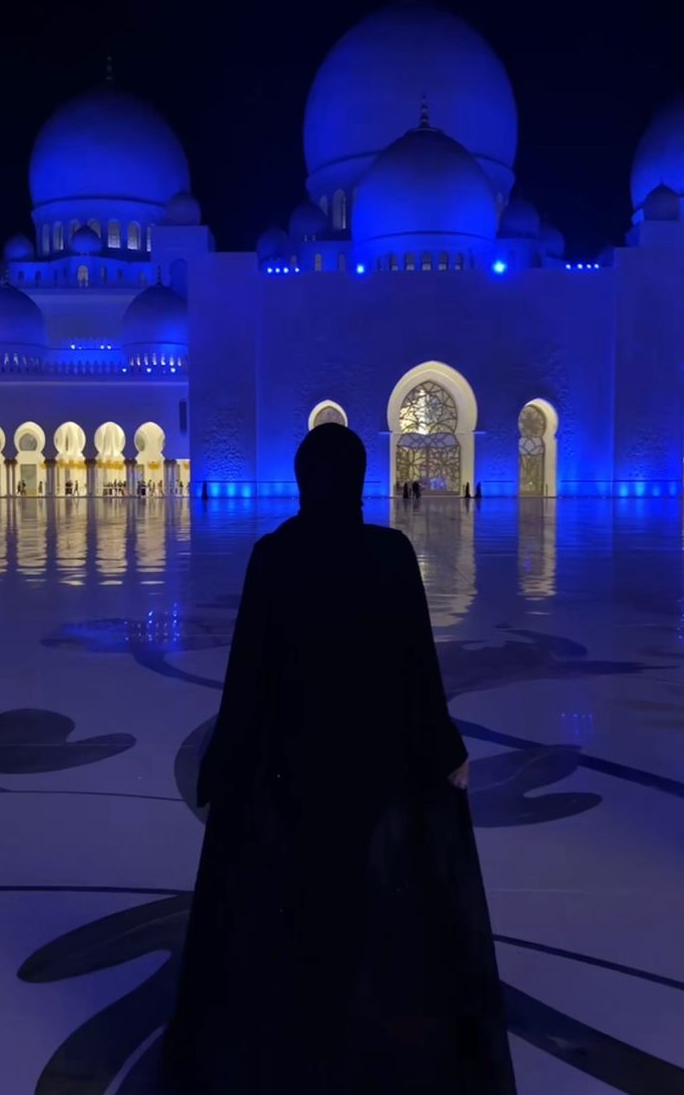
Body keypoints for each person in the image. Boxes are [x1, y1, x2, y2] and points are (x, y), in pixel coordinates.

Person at [163, 424, 515, 1095]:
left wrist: (223, 763)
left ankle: (305, 1026)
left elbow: (248, 678)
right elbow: (418, 669)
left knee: (299, 898)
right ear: (358, 477)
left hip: (290, 769)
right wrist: (446, 751)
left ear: (304, 479)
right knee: (367, 898)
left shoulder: (274, 556)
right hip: (373, 767)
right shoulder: (390, 554)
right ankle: (363, 1026)